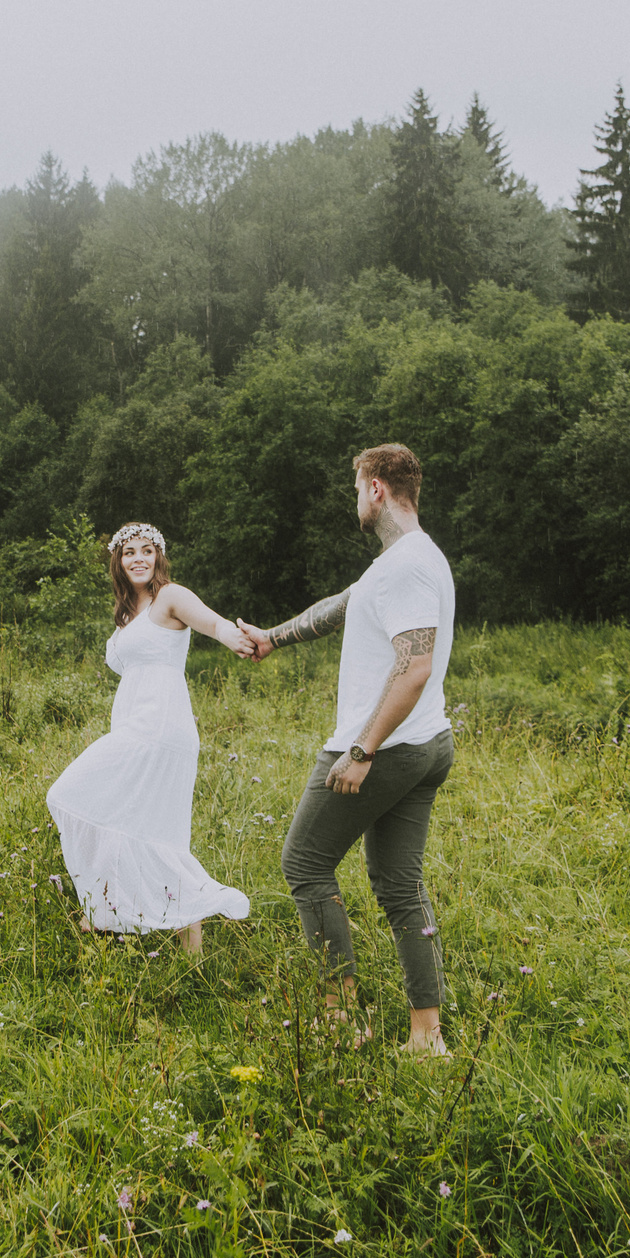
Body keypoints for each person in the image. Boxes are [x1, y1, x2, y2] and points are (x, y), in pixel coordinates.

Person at [239, 443, 456, 1054]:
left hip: (388, 748)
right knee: (399, 886)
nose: (355, 498)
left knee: (305, 864)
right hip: (426, 744)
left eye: (357, 487)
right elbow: (344, 604)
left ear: (377, 489)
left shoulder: (409, 565)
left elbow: (412, 669)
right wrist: (272, 638)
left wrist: (361, 750)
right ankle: (425, 1037)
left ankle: (340, 1020)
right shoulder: (405, 559)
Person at [46, 522, 258, 955]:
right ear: (118, 563)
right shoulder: (126, 613)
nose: (138, 558)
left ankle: (178, 943)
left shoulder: (170, 597)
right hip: (131, 724)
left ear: (158, 557)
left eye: (147, 551)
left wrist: (235, 637)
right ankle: (109, 911)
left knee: (96, 805)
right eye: (129, 553)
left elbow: (213, 624)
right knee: (122, 817)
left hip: (161, 727)